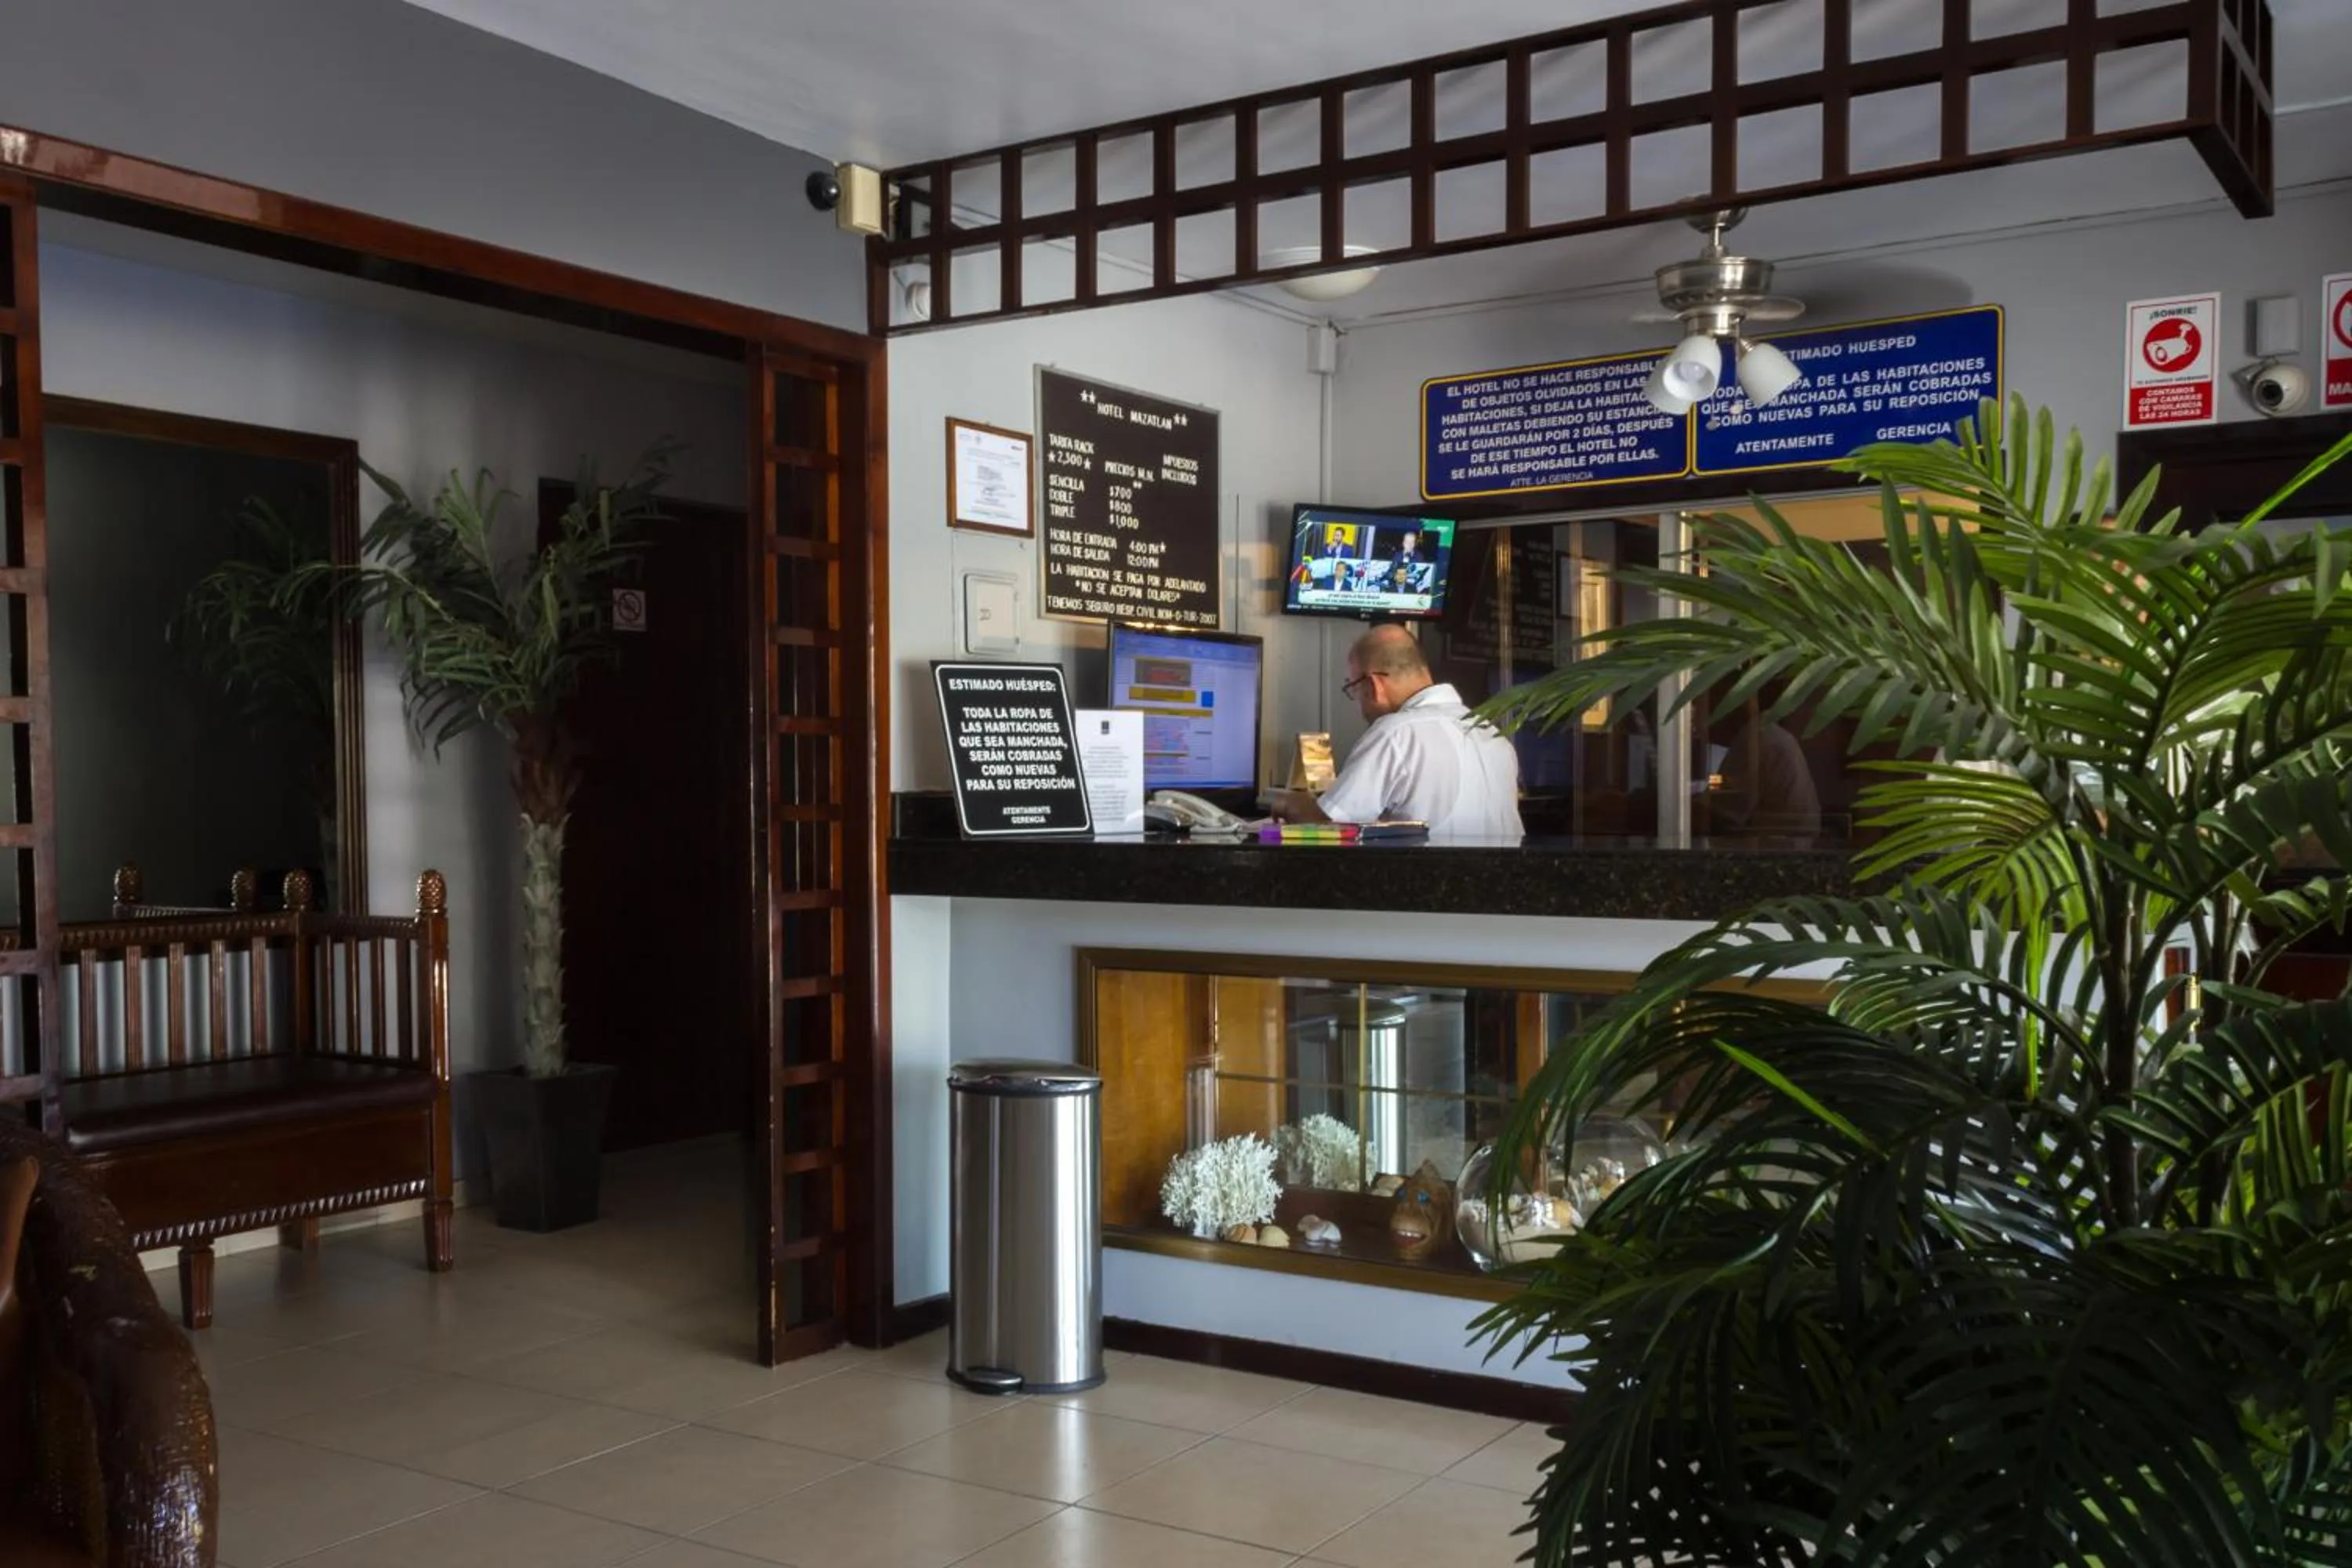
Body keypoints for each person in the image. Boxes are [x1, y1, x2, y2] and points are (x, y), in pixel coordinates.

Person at [1286, 625, 1524, 837]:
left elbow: (1329, 826)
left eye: (1354, 689)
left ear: (1373, 685)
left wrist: (1291, 804)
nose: (1358, 704)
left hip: (1429, 874)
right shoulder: (1493, 734)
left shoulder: (1395, 734)